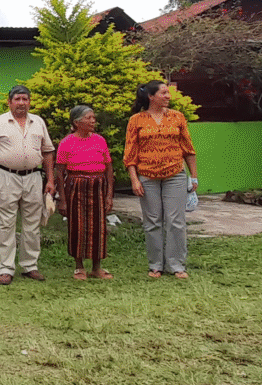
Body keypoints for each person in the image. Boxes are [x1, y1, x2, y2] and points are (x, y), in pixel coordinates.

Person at [0, 85, 56, 284]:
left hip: (33, 177)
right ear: (10, 102)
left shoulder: (38, 122)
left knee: (32, 223)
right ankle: (5, 268)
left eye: (25, 99)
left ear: (30, 102)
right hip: (7, 176)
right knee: (6, 223)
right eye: (18, 99)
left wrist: (50, 180)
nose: (22, 103)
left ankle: (30, 265)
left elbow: (47, 151)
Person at [123, 80, 197, 279]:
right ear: (151, 96)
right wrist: (134, 180)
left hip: (175, 175)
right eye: (163, 93)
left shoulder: (177, 117)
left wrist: (194, 176)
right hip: (147, 176)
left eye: (168, 93)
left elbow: (188, 148)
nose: (168, 96)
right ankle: (156, 265)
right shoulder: (136, 120)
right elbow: (130, 153)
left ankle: (177, 265)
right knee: (152, 221)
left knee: (176, 221)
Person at [54, 105, 114, 280]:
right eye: (89, 118)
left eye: (93, 118)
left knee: (99, 227)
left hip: (97, 186)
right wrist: (62, 199)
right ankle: (79, 267)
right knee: (77, 226)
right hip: (76, 186)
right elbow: (60, 173)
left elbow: (109, 169)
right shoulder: (66, 142)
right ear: (77, 122)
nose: (93, 121)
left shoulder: (100, 140)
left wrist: (109, 195)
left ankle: (97, 267)